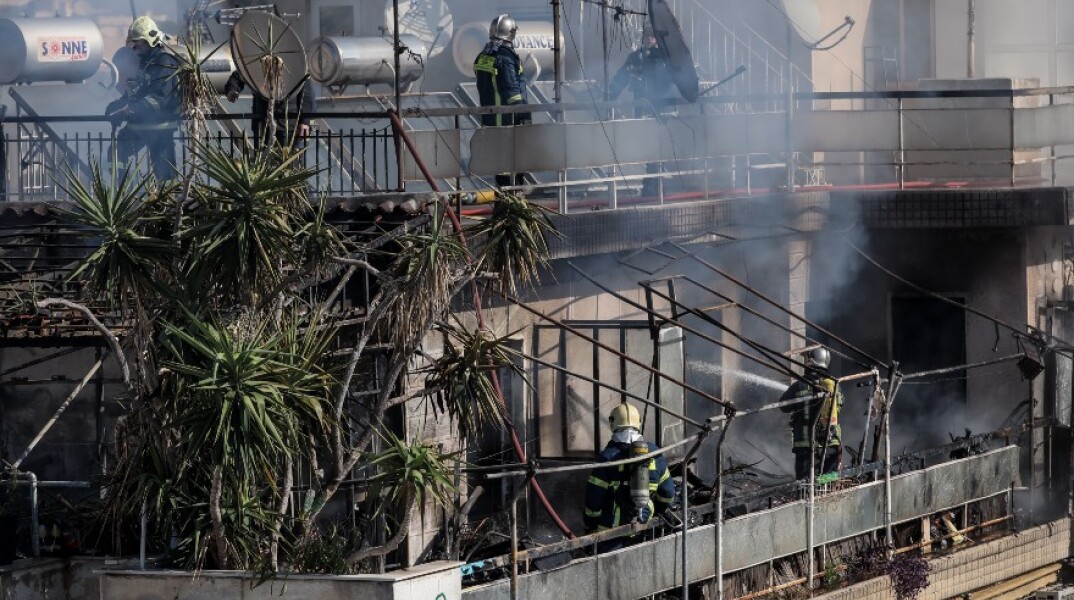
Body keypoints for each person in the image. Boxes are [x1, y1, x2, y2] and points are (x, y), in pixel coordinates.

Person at [583, 403, 676, 545]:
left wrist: (590, 525)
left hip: (611, 534)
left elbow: (594, 500)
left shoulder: (607, 457)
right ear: (638, 423)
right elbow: (668, 493)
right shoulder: (654, 453)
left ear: (613, 423)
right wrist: (655, 512)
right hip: (645, 529)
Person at [607, 23, 678, 197]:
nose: (649, 38)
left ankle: (655, 185)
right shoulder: (636, 58)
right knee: (648, 148)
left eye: (653, 35)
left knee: (659, 147)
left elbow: (672, 82)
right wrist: (609, 98)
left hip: (661, 109)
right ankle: (652, 184)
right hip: (643, 108)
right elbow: (620, 78)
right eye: (647, 34)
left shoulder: (664, 58)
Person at [106, 16, 180, 181]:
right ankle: (122, 193)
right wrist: (117, 105)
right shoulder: (147, 61)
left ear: (150, 39)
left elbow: (159, 98)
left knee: (164, 175)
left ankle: (167, 202)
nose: (134, 47)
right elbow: (137, 91)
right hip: (140, 125)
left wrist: (127, 112)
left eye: (137, 42)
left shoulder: (164, 62)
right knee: (117, 152)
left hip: (160, 128)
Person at [473, 14, 531, 188]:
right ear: (511, 33)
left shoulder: (483, 55)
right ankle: (512, 205)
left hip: (491, 121)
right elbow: (513, 95)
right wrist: (524, 119)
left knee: (500, 168)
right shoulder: (505, 57)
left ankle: (504, 204)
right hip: (508, 122)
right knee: (514, 166)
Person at [780, 347, 844, 481]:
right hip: (830, 442)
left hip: (805, 445)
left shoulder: (799, 386)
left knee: (805, 484)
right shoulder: (835, 385)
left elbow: (783, 406)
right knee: (828, 480)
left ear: (810, 361)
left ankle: (809, 500)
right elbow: (838, 408)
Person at [224, 71, 315, 150]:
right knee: (263, 160)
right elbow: (239, 75)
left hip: (288, 125)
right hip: (263, 123)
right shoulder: (259, 61)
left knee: (290, 163)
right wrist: (232, 90)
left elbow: (306, 93)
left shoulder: (294, 59)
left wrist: (304, 121)